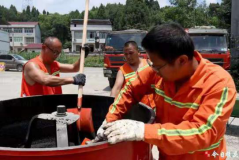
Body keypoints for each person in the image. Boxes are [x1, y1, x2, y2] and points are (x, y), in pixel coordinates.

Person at [94, 23, 236, 160]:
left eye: (157, 66)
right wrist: (110, 119)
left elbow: (203, 132)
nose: (153, 70)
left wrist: (143, 131)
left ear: (182, 60)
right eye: (151, 64)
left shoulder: (219, 83)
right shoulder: (159, 71)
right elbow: (130, 89)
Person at [21, 37, 87, 97]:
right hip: (35, 107)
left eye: (59, 53)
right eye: (55, 52)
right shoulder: (32, 65)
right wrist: (73, 79)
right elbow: (45, 79)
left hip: (52, 106)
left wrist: (82, 57)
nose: (56, 55)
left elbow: (74, 68)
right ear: (44, 47)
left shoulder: (54, 64)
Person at [110, 41, 155, 109]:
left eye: (131, 53)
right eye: (126, 54)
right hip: (134, 110)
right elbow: (116, 88)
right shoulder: (122, 70)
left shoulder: (149, 64)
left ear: (138, 51)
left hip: (153, 108)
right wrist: (110, 104)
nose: (128, 56)